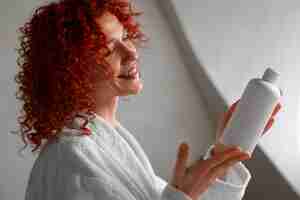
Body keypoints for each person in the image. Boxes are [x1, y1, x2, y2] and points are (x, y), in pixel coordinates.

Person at [14, 0, 282, 200]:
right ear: (70, 69)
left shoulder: (105, 141)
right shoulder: (70, 159)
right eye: (109, 48)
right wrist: (182, 193)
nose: (131, 52)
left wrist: (224, 154)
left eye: (125, 38)